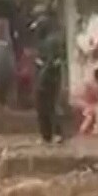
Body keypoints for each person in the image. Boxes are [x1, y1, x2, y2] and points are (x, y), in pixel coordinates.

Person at [34, 16, 66, 144]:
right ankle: (46, 135)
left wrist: (41, 80)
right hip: (47, 77)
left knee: (49, 107)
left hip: (48, 79)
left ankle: (55, 133)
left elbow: (50, 62)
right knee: (44, 107)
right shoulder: (45, 41)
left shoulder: (50, 42)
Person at [78, 68, 98, 136]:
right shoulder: (94, 85)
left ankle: (90, 129)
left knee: (92, 115)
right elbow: (97, 96)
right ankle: (94, 129)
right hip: (87, 104)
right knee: (94, 113)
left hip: (92, 105)